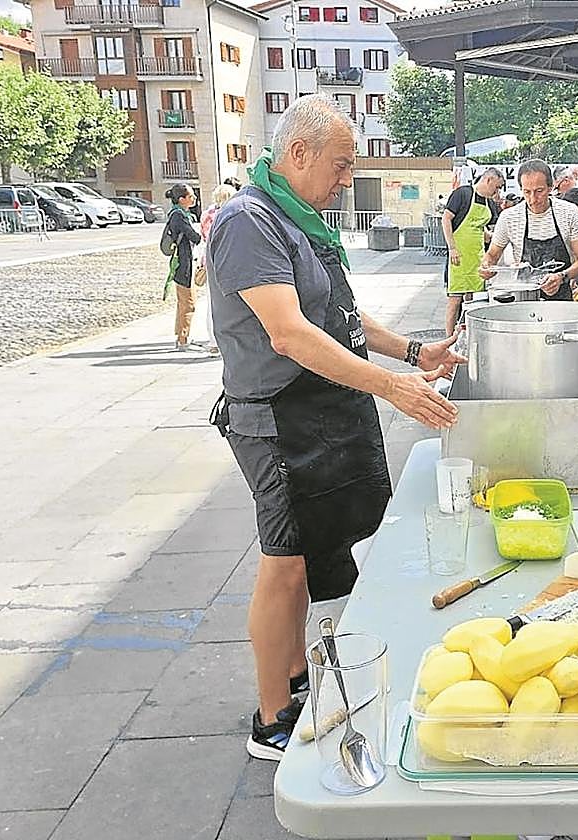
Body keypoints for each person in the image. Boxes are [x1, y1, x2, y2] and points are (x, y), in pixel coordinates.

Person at [205, 95, 465, 760]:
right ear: (298, 153)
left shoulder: (302, 223)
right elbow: (290, 335)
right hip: (277, 420)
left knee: (308, 554)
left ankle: (295, 676)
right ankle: (271, 718)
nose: (348, 179)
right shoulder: (248, 222)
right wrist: (392, 386)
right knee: (284, 565)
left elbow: (341, 317)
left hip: (318, 412)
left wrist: (413, 352)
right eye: (342, 164)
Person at [480, 159, 578, 301]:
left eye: (539, 191)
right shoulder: (509, 217)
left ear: (550, 187)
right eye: (527, 192)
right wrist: (486, 266)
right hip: (523, 297)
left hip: (561, 300)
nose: (533, 199)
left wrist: (562, 276)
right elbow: (492, 255)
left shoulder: (569, 212)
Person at [442, 167, 504, 335]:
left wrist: (495, 238)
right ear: (488, 180)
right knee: (455, 301)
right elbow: (446, 219)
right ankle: (448, 339)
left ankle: (468, 334)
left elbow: (479, 229)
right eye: (497, 187)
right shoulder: (463, 194)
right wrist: (452, 247)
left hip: (478, 257)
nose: (497, 191)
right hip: (458, 256)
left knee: (473, 301)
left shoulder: (489, 203)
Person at [194, 183, 238, 355]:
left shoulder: (207, 215)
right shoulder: (232, 213)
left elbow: (202, 239)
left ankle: (213, 341)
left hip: (209, 260)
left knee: (212, 303)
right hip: (229, 259)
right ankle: (229, 341)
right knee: (233, 303)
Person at [164, 183, 203, 351]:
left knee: (184, 302)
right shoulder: (179, 216)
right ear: (181, 199)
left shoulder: (179, 214)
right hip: (183, 263)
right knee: (188, 303)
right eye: (191, 196)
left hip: (184, 262)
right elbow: (194, 237)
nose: (194, 199)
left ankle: (181, 335)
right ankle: (183, 339)